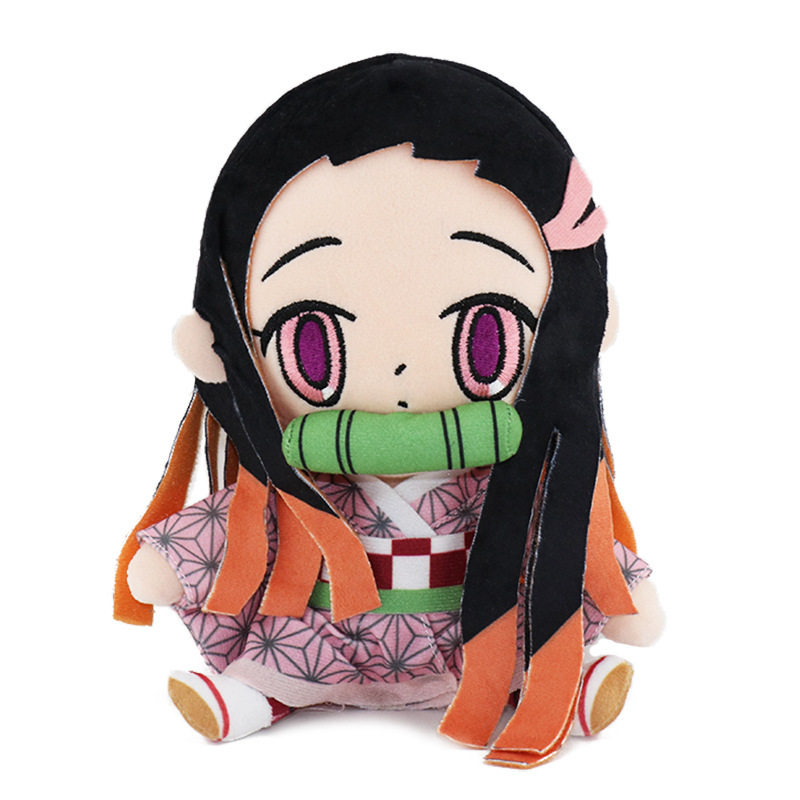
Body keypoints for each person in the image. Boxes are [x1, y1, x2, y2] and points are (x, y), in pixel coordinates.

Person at [114, 54, 664, 769]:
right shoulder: (296, 493)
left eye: (485, 335)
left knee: (525, 632)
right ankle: (260, 694)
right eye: (313, 341)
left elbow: (559, 534)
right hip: (320, 640)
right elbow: (226, 532)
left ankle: (557, 681)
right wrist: (170, 561)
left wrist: (625, 589)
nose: (401, 373)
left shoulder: (503, 488)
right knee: (280, 650)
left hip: (475, 636)